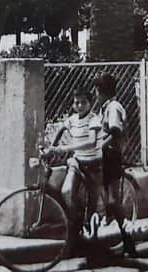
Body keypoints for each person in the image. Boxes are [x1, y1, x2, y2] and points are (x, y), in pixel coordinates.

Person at [45, 89, 101, 239]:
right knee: (66, 191)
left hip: (94, 164)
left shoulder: (93, 119)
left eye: (84, 102)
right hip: (78, 162)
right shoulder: (73, 119)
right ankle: (76, 222)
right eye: (77, 102)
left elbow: (91, 142)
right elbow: (61, 128)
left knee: (92, 200)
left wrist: (65, 148)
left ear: (90, 104)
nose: (80, 105)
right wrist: (52, 147)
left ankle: (90, 223)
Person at [94, 73, 136, 256]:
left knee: (112, 200)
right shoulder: (105, 107)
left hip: (111, 156)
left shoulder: (113, 108)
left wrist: (99, 146)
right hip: (104, 155)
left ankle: (128, 240)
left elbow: (115, 132)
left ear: (100, 91)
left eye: (96, 91)